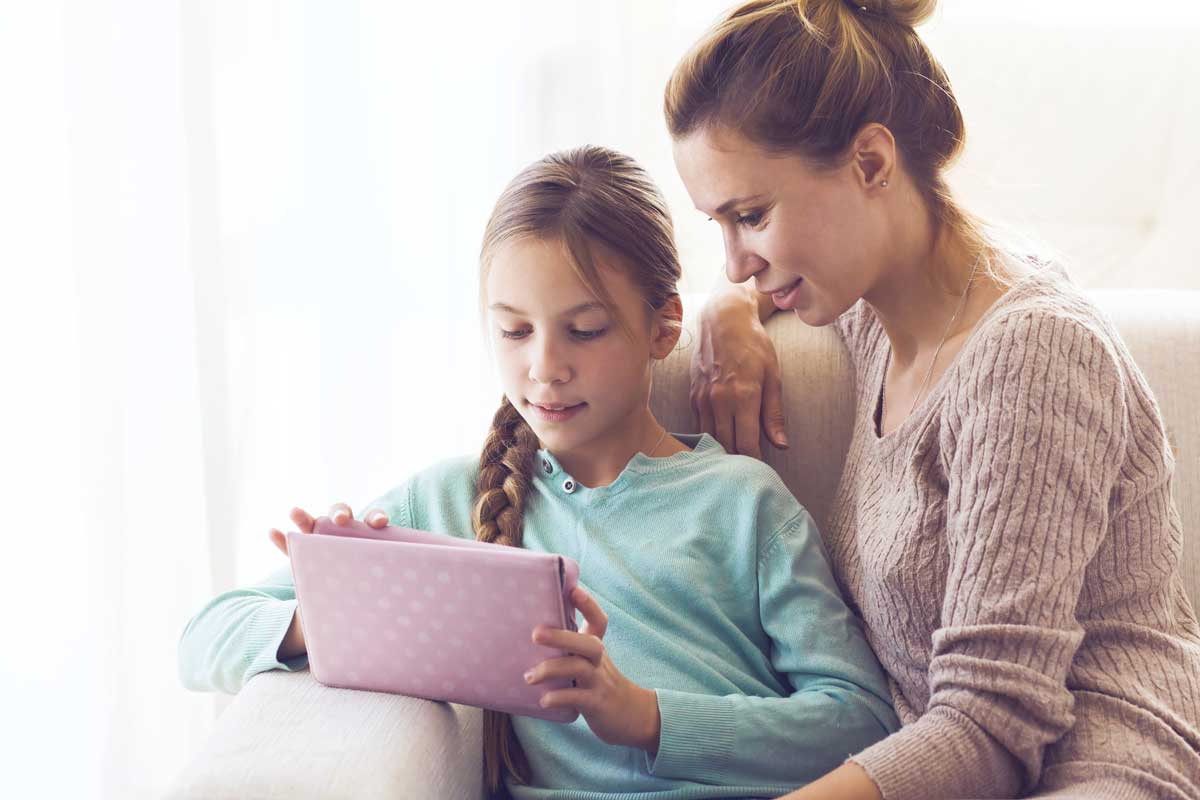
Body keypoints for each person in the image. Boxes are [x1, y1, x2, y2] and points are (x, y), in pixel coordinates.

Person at [177, 145, 899, 799]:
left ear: (663, 327)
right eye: (515, 331)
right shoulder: (449, 500)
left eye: (584, 330)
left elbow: (861, 723)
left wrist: (645, 716)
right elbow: (207, 635)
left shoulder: (744, 504)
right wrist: (339, 609)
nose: (545, 368)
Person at [664, 1, 1200, 798]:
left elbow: (990, 727)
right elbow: (755, 261)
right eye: (719, 223)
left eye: (750, 217)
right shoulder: (882, 297)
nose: (737, 260)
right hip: (939, 756)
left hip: (1092, 766)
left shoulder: (1032, 356)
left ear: (872, 164)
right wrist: (727, 310)